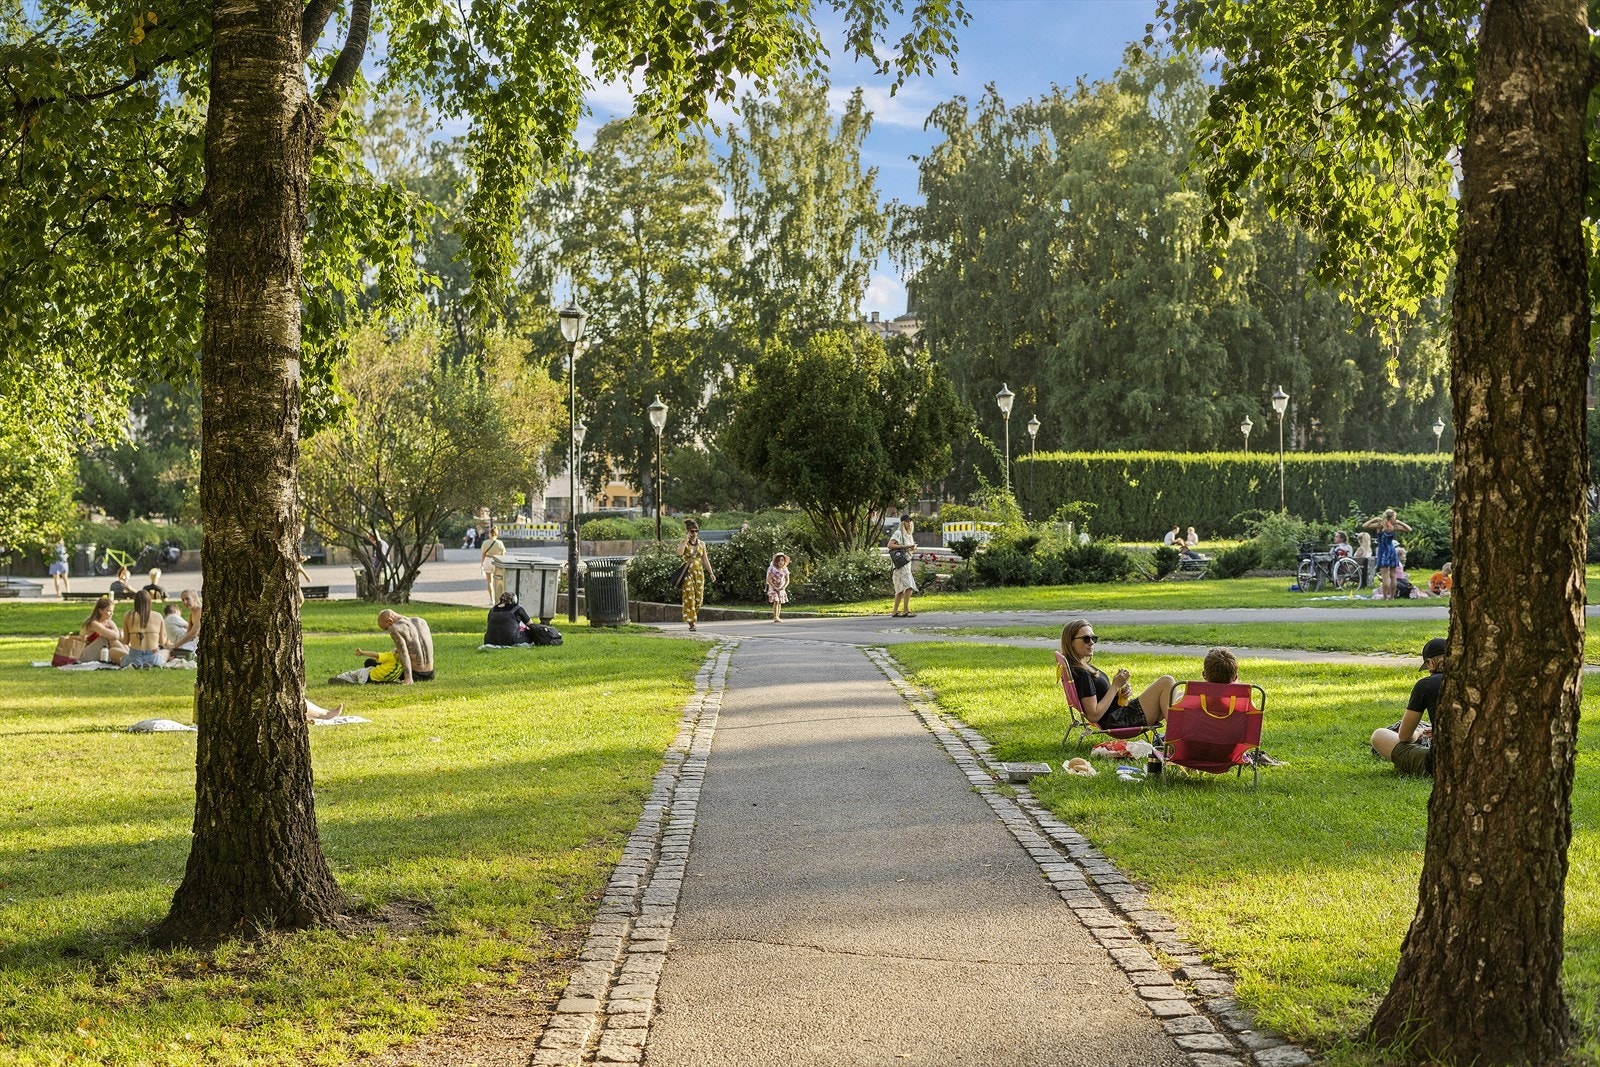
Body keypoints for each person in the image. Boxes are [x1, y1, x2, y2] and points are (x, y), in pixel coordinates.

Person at [1059, 618, 1174, 729]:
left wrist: (1120, 692)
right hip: (1118, 720)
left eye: (1094, 638)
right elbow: (1094, 715)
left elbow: (1102, 696)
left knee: (1178, 695)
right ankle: (1175, 736)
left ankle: (1179, 736)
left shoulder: (1082, 667)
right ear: (1070, 642)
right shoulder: (1081, 674)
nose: (1091, 643)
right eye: (1086, 639)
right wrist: (1115, 686)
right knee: (1167, 681)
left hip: (1120, 715)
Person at [1371, 638, 1446, 777]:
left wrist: (1418, 733)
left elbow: (1405, 736)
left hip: (1442, 765)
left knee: (1379, 735)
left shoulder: (1426, 685)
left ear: (1430, 663)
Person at [331, 610, 434, 684]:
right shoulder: (421, 621)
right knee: (376, 661)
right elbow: (418, 647)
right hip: (430, 673)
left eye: (385, 628)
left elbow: (404, 653)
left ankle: (350, 677)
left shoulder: (395, 628)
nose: (387, 630)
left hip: (415, 674)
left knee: (369, 663)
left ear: (390, 620)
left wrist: (408, 678)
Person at [1362, 509, 1413, 601]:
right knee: (1393, 576)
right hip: (1392, 550)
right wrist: (1399, 522)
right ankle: (1392, 597)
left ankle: (1385, 597)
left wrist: (1374, 519)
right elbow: (1409, 529)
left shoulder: (1380, 525)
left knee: (1385, 576)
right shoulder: (1394, 526)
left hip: (1383, 551)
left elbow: (1364, 525)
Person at [678, 520, 716, 631]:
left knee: (699, 599)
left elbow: (705, 559)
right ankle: (692, 622)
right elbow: (679, 553)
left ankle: (692, 617)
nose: (694, 533)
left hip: (699, 573)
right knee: (689, 597)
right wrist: (685, 540)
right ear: (688, 531)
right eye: (692, 531)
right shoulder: (684, 542)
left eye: (696, 531)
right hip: (687, 573)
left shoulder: (701, 544)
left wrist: (711, 573)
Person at [120, 589, 169, 668]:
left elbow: (125, 641)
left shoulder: (128, 616)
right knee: (167, 652)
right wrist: (166, 638)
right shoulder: (158, 616)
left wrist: (120, 636)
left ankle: (138, 664)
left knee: (113, 652)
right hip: (153, 657)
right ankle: (150, 664)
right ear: (149, 601)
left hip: (134, 658)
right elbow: (162, 641)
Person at [80, 596, 129, 665]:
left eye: (112, 611)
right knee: (106, 637)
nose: (111, 613)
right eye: (109, 611)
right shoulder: (93, 623)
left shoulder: (109, 622)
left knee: (113, 638)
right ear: (100, 611)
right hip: (83, 655)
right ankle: (129, 658)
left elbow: (119, 637)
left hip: (100, 651)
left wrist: (119, 635)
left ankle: (130, 656)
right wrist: (119, 634)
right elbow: (115, 636)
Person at [888, 515, 918, 618]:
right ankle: (905, 610)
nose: (908, 523)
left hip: (906, 563)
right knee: (909, 586)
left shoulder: (909, 535)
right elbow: (890, 545)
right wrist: (906, 546)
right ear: (902, 523)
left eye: (910, 521)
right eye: (906, 521)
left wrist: (912, 548)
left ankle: (895, 611)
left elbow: (909, 549)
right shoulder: (898, 533)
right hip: (900, 564)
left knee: (900, 589)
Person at [167, 589, 201, 660]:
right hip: (195, 642)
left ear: (194, 598)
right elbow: (188, 633)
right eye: (183, 600)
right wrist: (178, 645)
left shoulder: (200, 612)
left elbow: (193, 634)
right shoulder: (191, 614)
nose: (185, 602)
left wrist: (176, 645)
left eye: (187, 599)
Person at [480, 525, 507, 602]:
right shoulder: (500, 543)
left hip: (488, 561)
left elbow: (483, 554)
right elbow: (503, 554)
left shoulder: (485, 543)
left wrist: (482, 564)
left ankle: (492, 599)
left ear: (490, 534)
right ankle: (498, 598)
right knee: (498, 581)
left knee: (489, 581)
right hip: (497, 561)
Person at [766, 552, 790, 622]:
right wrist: (774, 587)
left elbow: (787, 580)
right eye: (779, 560)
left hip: (781, 587)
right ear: (776, 561)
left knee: (779, 601)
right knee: (776, 600)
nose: (780, 562)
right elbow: (769, 579)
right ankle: (775, 617)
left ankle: (778, 616)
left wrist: (784, 587)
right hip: (773, 587)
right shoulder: (772, 569)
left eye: (782, 560)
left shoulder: (785, 569)